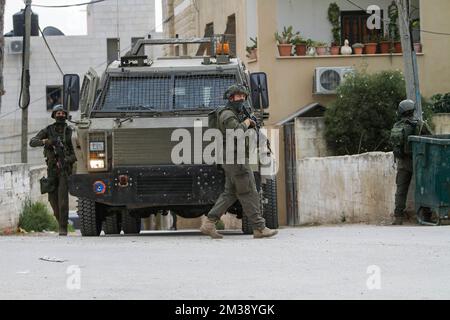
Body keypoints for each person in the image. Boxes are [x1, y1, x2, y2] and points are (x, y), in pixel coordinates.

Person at [200, 84, 278, 239]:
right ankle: (259, 227)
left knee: (230, 193)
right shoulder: (227, 115)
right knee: (248, 191)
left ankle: (209, 223)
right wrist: (248, 123)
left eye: (243, 96)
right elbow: (236, 131)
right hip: (235, 158)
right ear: (230, 98)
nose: (241, 98)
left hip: (234, 157)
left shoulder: (236, 112)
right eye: (238, 96)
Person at [30, 105, 77, 235]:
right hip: (51, 169)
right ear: (54, 115)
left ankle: (63, 227)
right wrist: (47, 142)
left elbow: (76, 153)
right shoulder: (48, 130)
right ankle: (60, 221)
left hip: (64, 170)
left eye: (62, 113)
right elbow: (32, 142)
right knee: (52, 199)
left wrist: (67, 160)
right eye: (58, 113)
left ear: (66, 115)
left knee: (63, 200)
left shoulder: (70, 131)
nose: (60, 115)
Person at [390, 99, 432, 225]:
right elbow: (432, 138)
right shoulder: (420, 124)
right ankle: (426, 216)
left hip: (403, 162)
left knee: (401, 190)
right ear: (413, 110)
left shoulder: (397, 126)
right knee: (424, 188)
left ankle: (398, 217)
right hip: (420, 161)